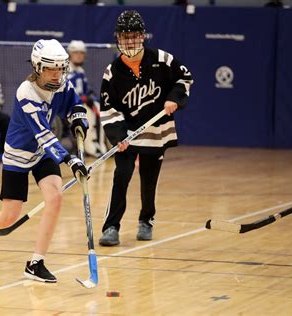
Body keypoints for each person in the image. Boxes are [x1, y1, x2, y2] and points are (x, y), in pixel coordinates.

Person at [0, 39, 89, 283]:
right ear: (38, 67)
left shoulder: (61, 83)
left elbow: (74, 104)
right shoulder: (26, 93)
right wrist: (70, 160)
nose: (56, 74)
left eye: (60, 68)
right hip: (19, 155)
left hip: (42, 154)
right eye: (51, 68)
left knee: (56, 197)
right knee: (9, 216)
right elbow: (43, 133)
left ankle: (35, 263)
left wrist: (79, 119)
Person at [98, 10, 193, 246]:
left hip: (156, 131)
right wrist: (118, 136)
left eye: (133, 36)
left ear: (142, 36)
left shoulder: (162, 59)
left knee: (149, 179)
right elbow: (108, 109)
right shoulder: (113, 72)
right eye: (124, 36)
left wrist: (174, 98)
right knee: (121, 176)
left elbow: (185, 78)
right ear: (117, 38)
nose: (129, 41)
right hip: (128, 134)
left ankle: (146, 220)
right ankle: (111, 226)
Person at [65, 40, 107, 157]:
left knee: (100, 108)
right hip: (72, 106)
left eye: (81, 53)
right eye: (76, 53)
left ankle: (100, 144)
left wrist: (92, 98)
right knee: (87, 115)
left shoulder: (80, 71)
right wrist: (83, 99)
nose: (79, 55)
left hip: (82, 102)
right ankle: (90, 147)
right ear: (70, 54)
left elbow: (87, 90)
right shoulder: (66, 70)